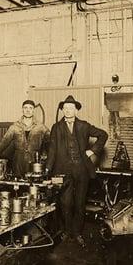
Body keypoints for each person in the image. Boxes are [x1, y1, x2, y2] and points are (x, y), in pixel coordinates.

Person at [46, 95, 108, 247]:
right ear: (62, 110)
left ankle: (78, 232)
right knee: (65, 203)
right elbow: (52, 150)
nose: (68, 111)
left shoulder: (84, 126)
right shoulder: (56, 127)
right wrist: (48, 168)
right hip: (62, 170)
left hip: (82, 169)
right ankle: (67, 231)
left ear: (76, 110)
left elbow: (103, 135)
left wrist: (92, 150)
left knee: (80, 203)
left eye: (71, 108)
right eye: (65, 108)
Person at [0, 100, 50, 178]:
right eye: (25, 108)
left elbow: (50, 141)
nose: (28, 110)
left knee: (33, 183)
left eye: (30, 108)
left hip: (34, 160)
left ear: (33, 110)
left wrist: (45, 154)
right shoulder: (15, 126)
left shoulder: (41, 127)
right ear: (22, 110)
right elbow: (5, 140)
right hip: (18, 160)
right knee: (17, 183)